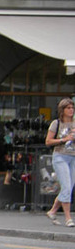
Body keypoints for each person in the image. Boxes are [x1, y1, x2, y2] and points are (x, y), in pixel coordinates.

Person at [45, 97, 75, 227]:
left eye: (72, 107)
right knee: (67, 187)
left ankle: (52, 211)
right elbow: (48, 141)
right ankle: (68, 218)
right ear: (62, 110)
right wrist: (64, 139)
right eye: (68, 108)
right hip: (60, 156)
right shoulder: (56, 123)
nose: (71, 110)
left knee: (68, 187)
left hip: (73, 157)